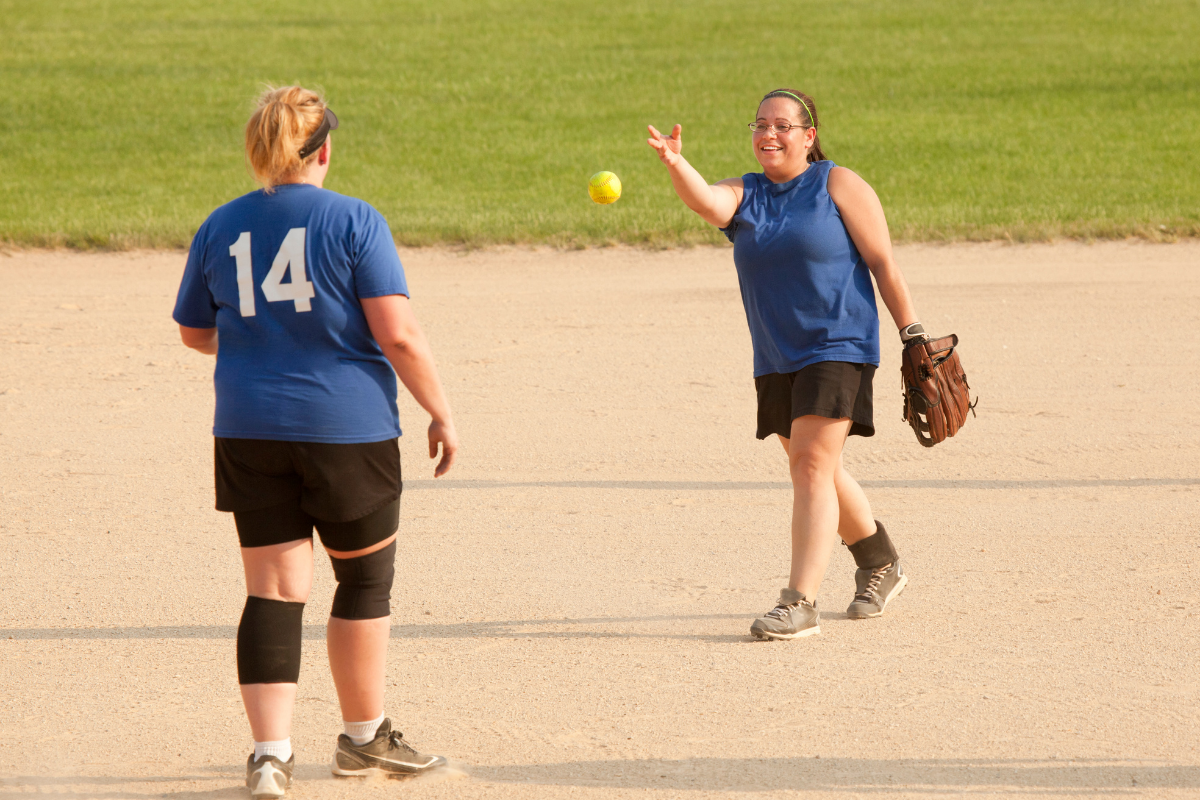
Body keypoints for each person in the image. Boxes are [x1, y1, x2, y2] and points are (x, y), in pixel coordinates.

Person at [173, 86, 458, 797]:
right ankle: (363, 739)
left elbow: (195, 331)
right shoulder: (356, 220)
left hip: (247, 427)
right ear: (324, 147)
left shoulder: (220, 224)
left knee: (271, 590)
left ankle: (270, 755)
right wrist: (442, 411)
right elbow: (398, 334)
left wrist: (259, 344)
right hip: (346, 429)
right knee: (361, 582)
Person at [647, 88, 927, 640]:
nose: (768, 134)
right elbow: (707, 201)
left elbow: (883, 263)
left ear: (809, 135)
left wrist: (912, 334)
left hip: (839, 343)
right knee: (817, 465)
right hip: (777, 353)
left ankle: (800, 603)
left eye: (782, 125)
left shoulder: (837, 184)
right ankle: (880, 560)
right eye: (759, 125)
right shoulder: (746, 194)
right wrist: (677, 164)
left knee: (808, 465)